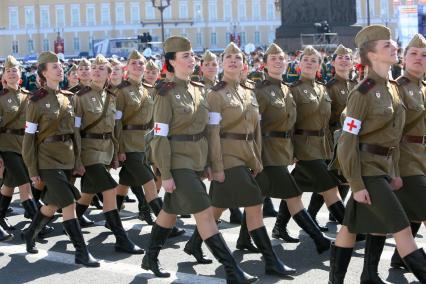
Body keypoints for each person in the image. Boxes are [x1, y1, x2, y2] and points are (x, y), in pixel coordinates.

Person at [142, 36, 257, 283]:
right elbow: (159, 137)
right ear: (171, 62)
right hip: (176, 161)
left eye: (192, 55)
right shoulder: (164, 93)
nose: (192, 59)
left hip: (195, 161)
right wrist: (166, 173)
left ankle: (149, 256)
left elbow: (207, 131)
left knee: (170, 209)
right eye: (185, 56)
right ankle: (232, 270)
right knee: (205, 214)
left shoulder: (198, 89)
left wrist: (208, 163)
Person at [329, 25, 426, 284]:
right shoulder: (362, 92)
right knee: (402, 229)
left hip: (384, 170)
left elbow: (394, 138)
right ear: (371, 54)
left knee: (351, 226)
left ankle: (341, 280)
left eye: (393, 43)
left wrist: (394, 173)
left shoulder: (393, 88)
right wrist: (356, 183)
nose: (395, 47)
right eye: (387, 45)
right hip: (367, 170)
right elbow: (348, 141)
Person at [205, 41, 295, 277]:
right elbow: (212, 132)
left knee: (217, 207)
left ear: (244, 64)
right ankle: (271, 261)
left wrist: (256, 160)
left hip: (246, 155)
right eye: (228, 58)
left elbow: (255, 130)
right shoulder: (215, 95)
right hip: (227, 154)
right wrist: (216, 165)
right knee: (255, 203)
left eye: (238, 58)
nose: (233, 61)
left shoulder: (248, 92)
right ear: (222, 63)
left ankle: (195, 242)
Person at [21, 51, 99, 267]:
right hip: (46, 159)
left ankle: (30, 233)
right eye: (54, 67)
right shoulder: (35, 101)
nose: (60, 69)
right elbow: (28, 138)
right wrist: (32, 169)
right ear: (44, 74)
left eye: (60, 66)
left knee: (53, 203)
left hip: (67, 158)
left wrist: (78, 160)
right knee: (68, 202)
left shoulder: (68, 98)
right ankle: (82, 252)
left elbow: (75, 133)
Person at [254, 43, 332, 254]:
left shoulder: (287, 90)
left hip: (283, 150)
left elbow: (291, 125)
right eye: (273, 59)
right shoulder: (260, 91)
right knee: (293, 195)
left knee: (256, 200)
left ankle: (207, 240)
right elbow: (255, 127)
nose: (278, 62)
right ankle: (319, 239)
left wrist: (292, 152)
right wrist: (254, 156)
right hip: (267, 152)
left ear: (287, 62)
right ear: (265, 64)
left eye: (281, 58)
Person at [73, 54, 143, 255]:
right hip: (88, 151)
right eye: (94, 67)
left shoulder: (111, 97)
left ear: (108, 74)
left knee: (86, 194)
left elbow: (114, 128)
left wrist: (116, 152)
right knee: (110, 189)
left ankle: (44, 227)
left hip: (105, 150)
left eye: (101, 68)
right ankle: (121, 239)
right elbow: (75, 130)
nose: (95, 71)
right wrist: (77, 159)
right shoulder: (80, 97)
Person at [113, 50, 184, 237]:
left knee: (124, 182)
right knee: (151, 183)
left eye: (141, 63)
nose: (138, 66)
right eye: (134, 63)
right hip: (129, 143)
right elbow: (116, 122)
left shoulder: (147, 89)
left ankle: (112, 218)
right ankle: (166, 226)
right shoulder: (121, 91)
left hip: (146, 142)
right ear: (127, 67)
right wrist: (119, 148)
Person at [289, 46, 345, 232]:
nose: (309, 63)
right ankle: (351, 229)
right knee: (330, 185)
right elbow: (290, 122)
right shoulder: (294, 90)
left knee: (293, 189)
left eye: (314, 60)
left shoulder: (322, 89)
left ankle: (279, 226)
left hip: (322, 145)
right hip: (304, 146)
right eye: (306, 59)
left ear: (319, 66)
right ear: (299, 64)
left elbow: (327, 121)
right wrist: (292, 151)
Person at [307, 44, 357, 230]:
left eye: (348, 57)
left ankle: (334, 213)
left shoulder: (357, 86)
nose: (344, 60)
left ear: (352, 63)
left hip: (352, 138)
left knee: (344, 178)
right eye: (340, 57)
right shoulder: (329, 87)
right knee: (329, 181)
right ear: (333, 63)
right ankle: (311, 216)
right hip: (335, 138)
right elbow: (324, 117)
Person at [390, 34, 426, 270]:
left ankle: (399, 258)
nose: (419, 58)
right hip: (405, 161)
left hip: (422, 157)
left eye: (424, 55)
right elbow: (389, 132)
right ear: (403, 59)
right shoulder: (396, 88)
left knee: (414, 211)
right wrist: (391, 170)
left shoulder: (423, 88)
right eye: (413, 54)